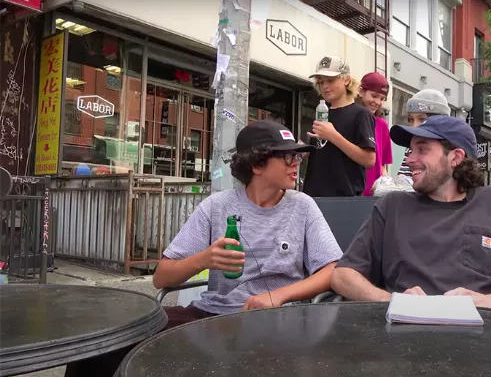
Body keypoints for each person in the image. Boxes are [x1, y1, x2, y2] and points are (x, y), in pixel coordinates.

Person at [65, 120, 343, 377]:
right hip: (211, 317)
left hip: (275, 321)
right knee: (96, 348)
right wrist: (205, 259)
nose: (296, 163)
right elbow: (162, 277)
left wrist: (278, 296)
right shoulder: (216, 207)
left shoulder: (303, 207)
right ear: (257, 165)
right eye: (287, 157)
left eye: (298, 156)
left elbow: (333, 269)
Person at [330, 115, 491, 310]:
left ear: (455, 157)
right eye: (410, 150)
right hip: (403, 338)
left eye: (422, 149)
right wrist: (392, 301)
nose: (409, 159)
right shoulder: (393, 206)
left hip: (482, 339)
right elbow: (343, 276)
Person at [303, 56, 376, 197]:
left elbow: (369, 160)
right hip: (313, 198)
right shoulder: (322, 112)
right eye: (321, 81)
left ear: (346, 80)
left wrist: (333, 136)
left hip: (344, 200)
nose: (325, 86)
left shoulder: (361, 114)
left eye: (330, 80)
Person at [396, 89, 452, 177]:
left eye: (422, 119)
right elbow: (403, 180)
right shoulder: (410, 148)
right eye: (411, 119)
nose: (414, 126)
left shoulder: (449, 149)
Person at [356, 72, 393, 196]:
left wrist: (385, 187)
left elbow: (382, 166)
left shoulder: (382, 125)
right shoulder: (350, 120)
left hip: (374, 197)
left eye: (382, 98)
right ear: (361, 91)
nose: (377, 102)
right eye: (374, 96)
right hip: (350, 196)